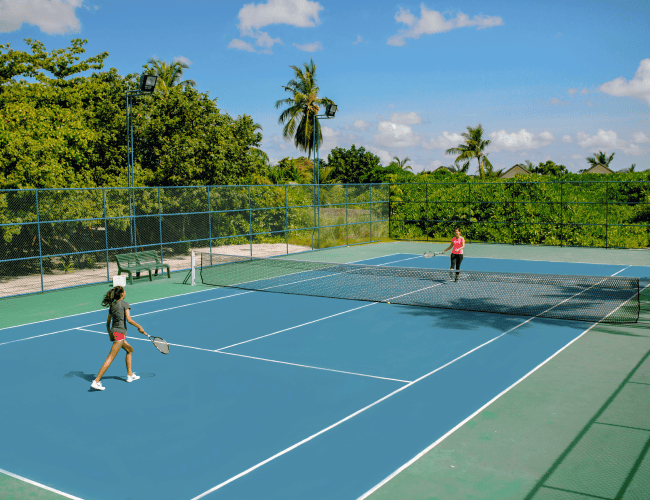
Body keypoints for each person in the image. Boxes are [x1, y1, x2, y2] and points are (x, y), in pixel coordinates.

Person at [91, 286, 148, 391]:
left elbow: (108, 323)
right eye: (124, 291)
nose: (125, 292)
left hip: (114, 332)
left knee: (130, 349)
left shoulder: (112, 305)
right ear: (122, 294)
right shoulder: (125, 304)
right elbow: (129, 320)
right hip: (120, 334)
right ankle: (96, 381)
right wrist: (139, 327)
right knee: (110, 358)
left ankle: (130, 375)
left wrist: (110, 334)